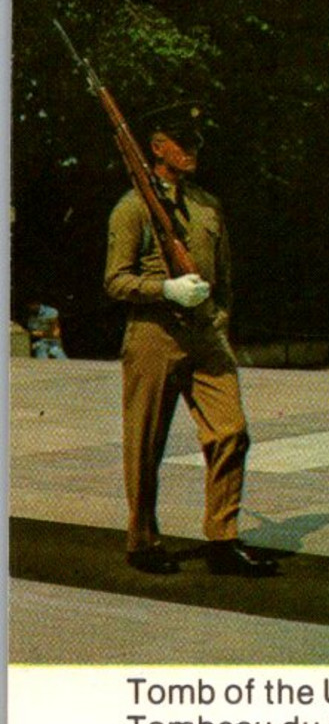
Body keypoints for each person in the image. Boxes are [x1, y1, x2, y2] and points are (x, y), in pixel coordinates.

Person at [104, 104, 276, 577]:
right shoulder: (133, 208)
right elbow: (116, 281)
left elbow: (226, 275)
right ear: (157, 148)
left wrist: (219, 318)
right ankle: (142, 540)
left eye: (196, 141)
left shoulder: (205, 205)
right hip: (154, 335)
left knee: (231, 431)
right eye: (183, 142)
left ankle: (222, 538)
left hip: (203, 334)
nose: (193, 149)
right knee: (145, 444)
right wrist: (163, 289)